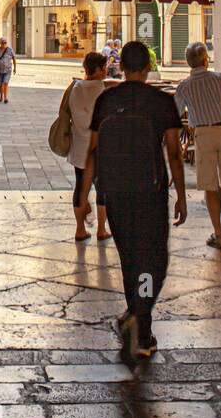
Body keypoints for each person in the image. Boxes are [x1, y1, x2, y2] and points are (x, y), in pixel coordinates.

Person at [79, 40, 187, 366]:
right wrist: (181, 193)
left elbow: (94, 152)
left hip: (116, 194)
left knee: (129, 259)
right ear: (148, 67)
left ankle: (138, 321)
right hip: (150, 194)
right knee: (153, 260)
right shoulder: (162, 102)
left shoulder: (106, 101)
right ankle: (140, 321)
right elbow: (173, 152)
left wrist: (84, 197)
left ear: (121, 67)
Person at [174, 42, 221, 250]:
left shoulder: (184, 86)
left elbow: (175, 114)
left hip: (203, 135)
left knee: (210, 187)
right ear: (206, 60)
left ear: (190, 63)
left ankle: (217, 234)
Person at [68, 51, 119, 241]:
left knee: (81, 185)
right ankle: (101, 229)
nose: (106, 70)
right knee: (102, 188)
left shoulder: (76, 87)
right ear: (97, 69)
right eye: (104, 67)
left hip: (80, 145)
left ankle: (80, 228)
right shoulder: (102, 90)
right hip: (100, 147)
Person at [0, 37, 16, 104]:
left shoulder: (10, 50)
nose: (4, 44)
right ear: (0, 43)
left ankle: (5, 97)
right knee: (0, 84)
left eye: (5, 43)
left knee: (5, 82)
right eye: (2, 43)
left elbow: (14, 58)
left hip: (7, 70)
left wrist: (15, 68)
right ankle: (1, 96)